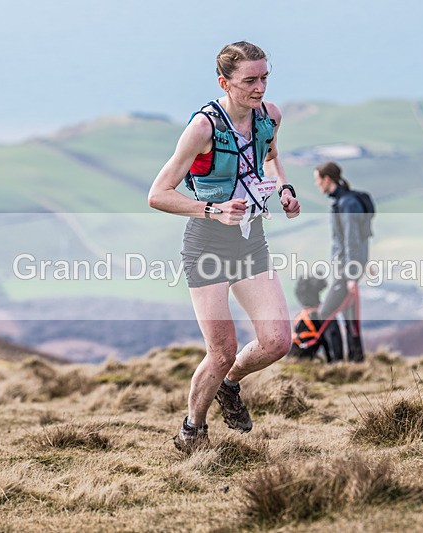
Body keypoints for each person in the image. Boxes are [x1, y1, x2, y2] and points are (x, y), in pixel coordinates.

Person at [148, 41, 301, 452]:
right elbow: (158, 194)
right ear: (224, 82)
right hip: (208, 244)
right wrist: (212, 210)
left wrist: (284, 188)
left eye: (265, 77)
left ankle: (229, 387)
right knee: (221, 351)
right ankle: (191, 431)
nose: (260, 88)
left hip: (252, 240)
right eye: (250, 80)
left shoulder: (270, 116)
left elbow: (269, 157)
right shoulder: (203, 128)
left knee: (277, 342)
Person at [313, 161, 369, 362]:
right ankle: (356, 360)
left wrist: (352, 276)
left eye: (318, 180)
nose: (317, 185)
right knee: (348, 314)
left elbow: (351, 240)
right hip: (346, 268)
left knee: (326, 312)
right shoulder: (343, 202)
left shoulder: (347, 204)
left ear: (327, 179)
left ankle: (336, 361)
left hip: (347, 270)